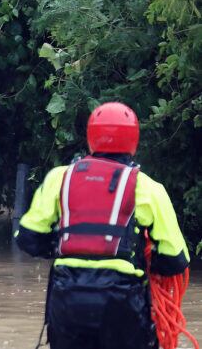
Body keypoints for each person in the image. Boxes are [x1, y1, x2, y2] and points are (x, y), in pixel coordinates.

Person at [14, 102, 190, 349]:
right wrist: (145, 258)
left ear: (91, 137)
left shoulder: (59, 177)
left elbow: (27, 238)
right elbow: (175, 259)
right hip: (122, 302)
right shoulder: (148, 187)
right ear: (133, 140)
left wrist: (65, 247)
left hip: (67, 299)